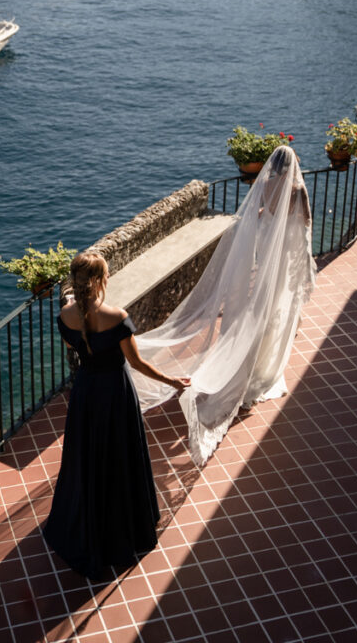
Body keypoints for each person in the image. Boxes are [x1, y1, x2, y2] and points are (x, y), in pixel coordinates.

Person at [131, 145, 315, 467]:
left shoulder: (267, 187)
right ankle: (262, 372)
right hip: (284, 262)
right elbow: (307, 223)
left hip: (267, 259)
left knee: (260, 314)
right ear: (294, 165)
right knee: (276, 316)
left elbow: (255, 219)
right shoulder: (297, 191)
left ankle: (247, 367)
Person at [42, 252, 190, 579]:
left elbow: (73, 347)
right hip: (115, 393)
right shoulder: (118, 317)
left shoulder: (65, 317)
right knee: (120, 455)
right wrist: (171, 381)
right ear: (98, 281)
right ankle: (124, 524)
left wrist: (71, 302)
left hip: (86, 393)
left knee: (88, 456)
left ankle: (87, 520)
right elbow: (136, 363)